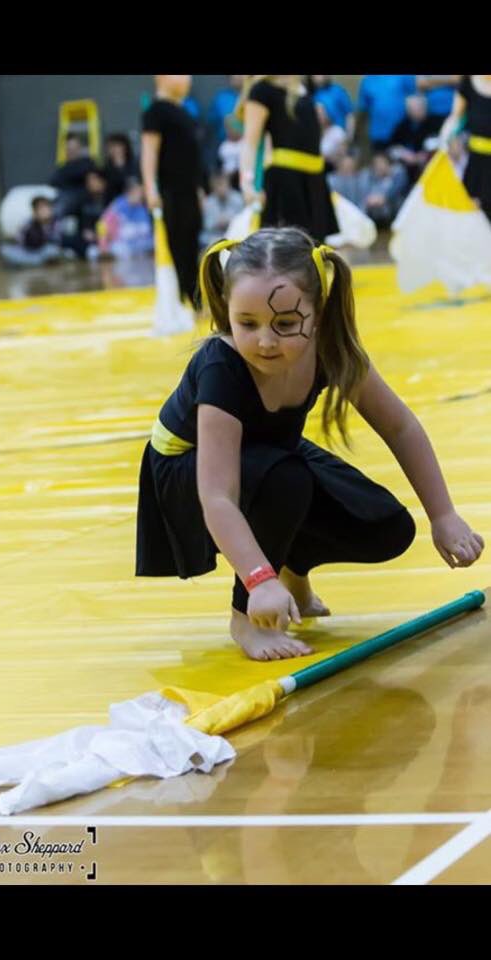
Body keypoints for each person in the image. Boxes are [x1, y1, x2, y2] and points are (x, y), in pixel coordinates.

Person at [135, 227, 484, 661]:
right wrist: (258, 581)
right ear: (228, 312)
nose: (264, 341)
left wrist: (443, 514)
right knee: (287, 481)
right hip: (188, 469)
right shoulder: (221, 367)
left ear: (316, 314)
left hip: (270, 457)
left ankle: (293, 567)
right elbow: (217, 495)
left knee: (385, 527)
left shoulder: (331, 350)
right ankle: (246, 618)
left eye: (284, 324)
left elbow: (400, 427)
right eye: (247, 323)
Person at [239, 75, 339, 241]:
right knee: (288, 251)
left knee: (317, 251)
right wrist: (246, 183)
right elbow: (250, 143)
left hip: (314, 182)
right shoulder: (261, 90)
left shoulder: (304, 87)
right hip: (285, 182)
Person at [141, 75, 203, 311]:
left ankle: (193, 298)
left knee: (190, 244)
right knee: (176, 246)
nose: (188, 80)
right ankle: (180, 300)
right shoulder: (155, 112)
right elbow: (149, 153)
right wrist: (150, 188)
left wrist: (198, 189)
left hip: (188, 191)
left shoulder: (183, 112)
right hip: (170, 192)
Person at [441, 75, 491, 222]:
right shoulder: (468, 82)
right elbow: (455, 117)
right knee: (473, 214)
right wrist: (446, 139)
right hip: (475, 163)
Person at [0, 196, 65, 267]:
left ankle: (30, 263)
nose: (44, 211)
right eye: (40, 209)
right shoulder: (29, 223)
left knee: (52, 251)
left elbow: (57, 240)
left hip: (45, 251)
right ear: (35, 212)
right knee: (5, 250)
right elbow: (19, 239)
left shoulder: (56, 223)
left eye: (46, 207)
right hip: (29, 252)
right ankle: (33, 263)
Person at [102, 133, 139, 204]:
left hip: (134, 202)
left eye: (117, 146)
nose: (114, 150)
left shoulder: (135, 164)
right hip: (113, 205)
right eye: (111, 147)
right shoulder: (106, 168)